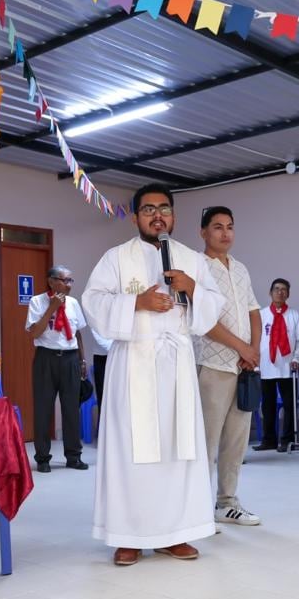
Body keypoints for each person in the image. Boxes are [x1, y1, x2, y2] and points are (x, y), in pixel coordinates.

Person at [81, 183, 224, 565]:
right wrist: (136, 302)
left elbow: (212, 308)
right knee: (131, 450)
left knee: (178, 451)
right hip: (133, 364)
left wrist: (191, 287)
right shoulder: (115, 258)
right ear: (135, 216)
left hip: (176, 366)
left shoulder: (191, 259)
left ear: (173, 216)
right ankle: (128, 534)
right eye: (148, 210)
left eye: (164, 209)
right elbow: (92, 302)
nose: (157, 215)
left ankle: (174, 534)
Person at [196, 206, 263, 527]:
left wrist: (255, 351)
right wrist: (242, 348)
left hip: (243, 367)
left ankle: (227, 502)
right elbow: (204, 321)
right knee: (206, 441)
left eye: (230, 227)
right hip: (213, 365)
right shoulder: (197, 268)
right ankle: (195, 508)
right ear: (203, 232)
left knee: (237, 440)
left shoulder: (240, 268)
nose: (225, 233)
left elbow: (253, 311)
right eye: (218, 227)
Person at [24, 265, 88, 473]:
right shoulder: (36, 301)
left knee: (71, 409)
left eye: (70, 281)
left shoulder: (73, 303)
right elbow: (34, 333)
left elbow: (77, 333)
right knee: (43, 409)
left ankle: (73, 456)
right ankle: (43, 458)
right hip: (46, 359)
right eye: (64, 280)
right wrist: (51, 308)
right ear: (51, 281)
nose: (68, 285)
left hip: (70, 359)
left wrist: (82, 360)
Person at [255, 279, 299, 452]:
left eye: (284, 289)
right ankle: (268, 439)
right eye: (276, 289)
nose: (280, 292)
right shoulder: (261, 315)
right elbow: (254, 338)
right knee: (267, 405)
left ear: (288, 294)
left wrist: (297, 359)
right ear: (270, 293)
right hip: (266, 366)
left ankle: (287, 440)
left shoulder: (294, 315)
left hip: (288, 367)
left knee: (289, 405)